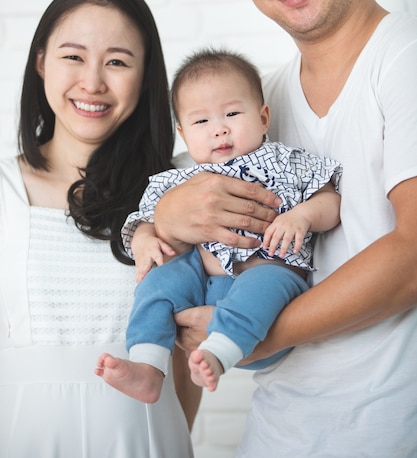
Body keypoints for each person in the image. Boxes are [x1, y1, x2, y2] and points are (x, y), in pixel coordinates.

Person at [148, 0, 417, 458]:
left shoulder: (404, 59)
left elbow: (414, 253)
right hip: (276, 433)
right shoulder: (256, 103)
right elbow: (185, 216)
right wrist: (161, 220)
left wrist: (253, 334)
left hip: (390, 429)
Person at [0, 0, 194, 458]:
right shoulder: (5, 188)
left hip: (148, 438)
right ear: (41, 62)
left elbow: (183, 351)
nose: (92, 82)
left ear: (146, 74)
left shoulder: (178, 190)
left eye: (117, 61)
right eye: (73, 56)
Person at [96, 48, 341, 400]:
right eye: (201, 121)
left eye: (232, 113)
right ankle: (148, 365)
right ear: (182, 132)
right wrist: (146, 240)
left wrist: (301, 215)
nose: (219, 129)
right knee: (156, 282)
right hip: (200, 279)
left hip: (268, 279)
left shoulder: (286, 161)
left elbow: (331, 201)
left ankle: (219, 352)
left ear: (263, 117)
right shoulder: (179, 178)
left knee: (265, 282)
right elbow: (144, 220)